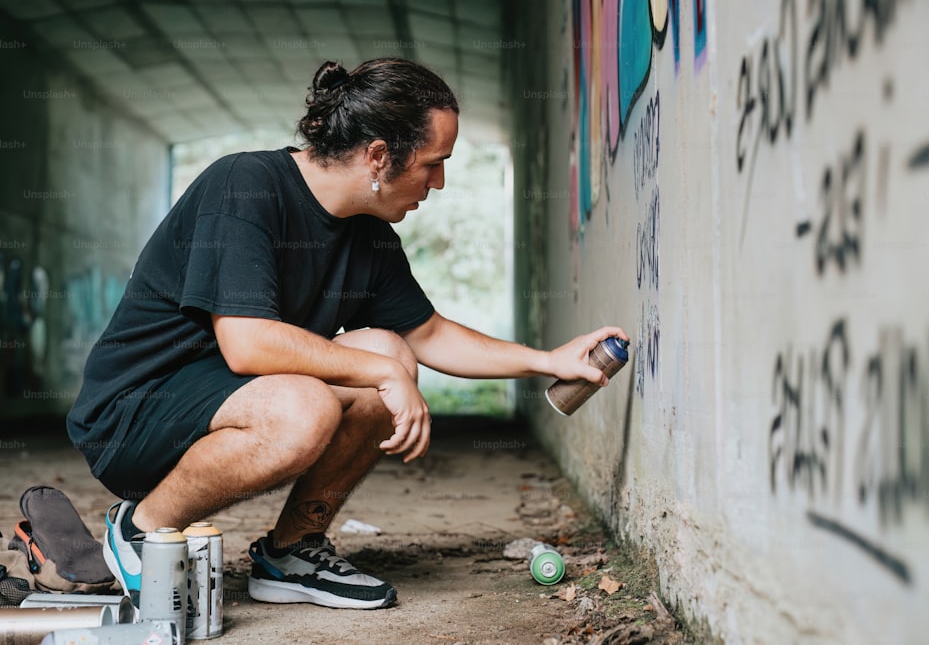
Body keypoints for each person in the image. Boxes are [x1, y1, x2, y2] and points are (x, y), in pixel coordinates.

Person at [66, 58, 629, 611]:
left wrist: (548, 360)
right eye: (433, 163)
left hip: (229, 403)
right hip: (134, 412)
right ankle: (141, 528)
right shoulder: (246, 185)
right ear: (380, 156)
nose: (439, 182)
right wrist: (385, 374)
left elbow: (429, 335)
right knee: (317, 401)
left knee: (390, 349)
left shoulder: (370, 237)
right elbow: (247, 342)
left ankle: (292, 551)